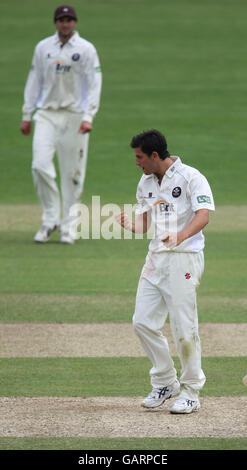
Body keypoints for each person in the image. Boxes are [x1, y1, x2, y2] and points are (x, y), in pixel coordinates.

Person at [116, 129, 215, 414]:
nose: (137, 162)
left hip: (184, 258)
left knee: (184, 327)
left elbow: (203, 215)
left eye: (139, 157)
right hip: (156, 259)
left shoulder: (191, 177)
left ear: (155, 155)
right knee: (142, 322)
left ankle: (191, 391)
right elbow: (145, 225)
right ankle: (165, 381)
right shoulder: (145, 182)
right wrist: (129, 224)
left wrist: (181, 236)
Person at [20, 5, 102, 244]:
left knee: (72, 174)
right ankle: (50, 219)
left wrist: (89, 116)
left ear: (74, 22)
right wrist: (27, 114)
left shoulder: (86, 49)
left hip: (75, 116)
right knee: (39, 165)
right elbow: (34, 80)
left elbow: (94, 83)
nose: (65, 23)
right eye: (61, 20)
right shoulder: (43, 47)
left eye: (69, 19)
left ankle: (68, 227)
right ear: (55, 23)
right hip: (46, 114)